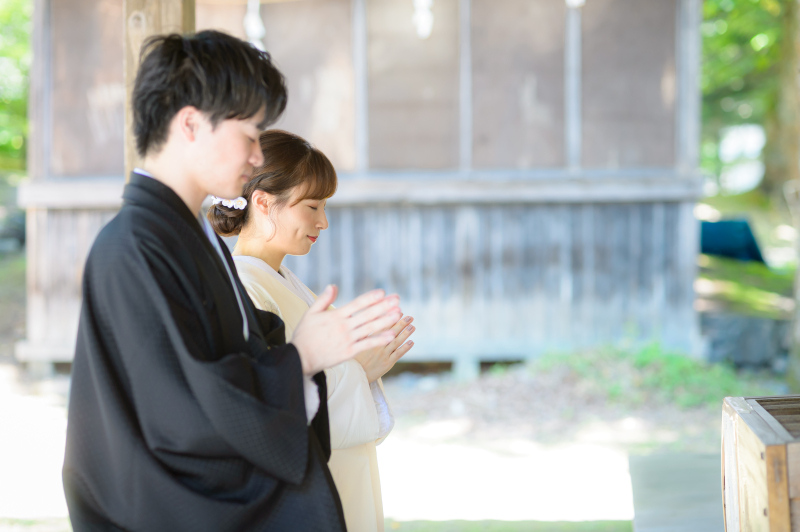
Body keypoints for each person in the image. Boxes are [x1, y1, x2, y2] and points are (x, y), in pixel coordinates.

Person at [62, 30, 402, 532]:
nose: (258, 158)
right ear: (191, 124)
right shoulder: (137, 247)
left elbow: (233, 375)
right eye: (249, 136)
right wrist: (304, 357)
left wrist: (328, 363)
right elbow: (184, 420)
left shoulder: (192, 240)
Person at [207, 130, 415, 532]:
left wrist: (358, 363)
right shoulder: (246, 288)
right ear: (264, 203)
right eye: (313, 205)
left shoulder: (280, 279)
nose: (323, 220)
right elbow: (264, 407)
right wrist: (358, 372)